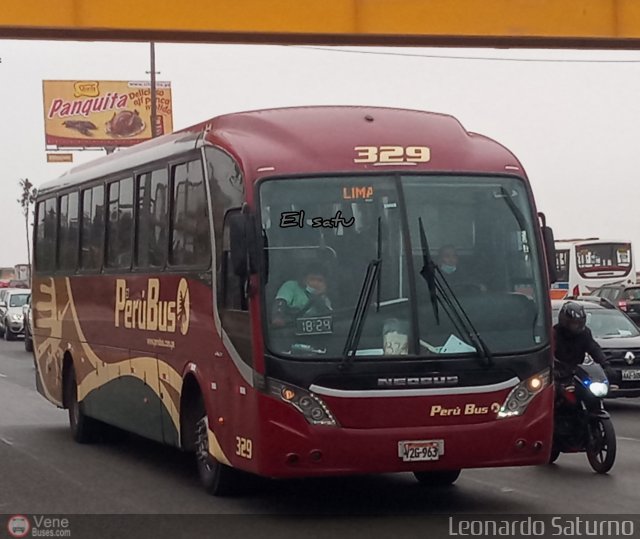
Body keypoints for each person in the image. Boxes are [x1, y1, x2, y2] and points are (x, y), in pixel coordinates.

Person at [553, 301, 609, 382]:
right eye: (574, 323)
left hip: (576, 373)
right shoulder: (554, 334)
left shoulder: (584, 333)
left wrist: (606, 365)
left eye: (579, 323)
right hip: (558, 375)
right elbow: (547, 356)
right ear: (564, 321)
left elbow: (594, 349)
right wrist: (555, 371)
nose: (577, 326)